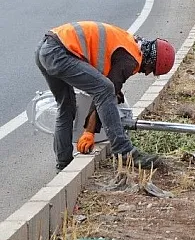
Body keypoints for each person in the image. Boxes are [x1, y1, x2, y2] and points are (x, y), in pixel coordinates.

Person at [35, 21, 176, 171]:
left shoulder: (130, 43)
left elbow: (105, 80)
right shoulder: (130, 58)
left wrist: (115, 90)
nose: (147, 73)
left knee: (66, 106)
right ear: (151, 59)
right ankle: (124, 151)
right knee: (105, 89)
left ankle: (63, 164)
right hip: (58, 53)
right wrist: (90, 131)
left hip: (45, 49)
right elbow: (105, 90)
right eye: (151, 69)